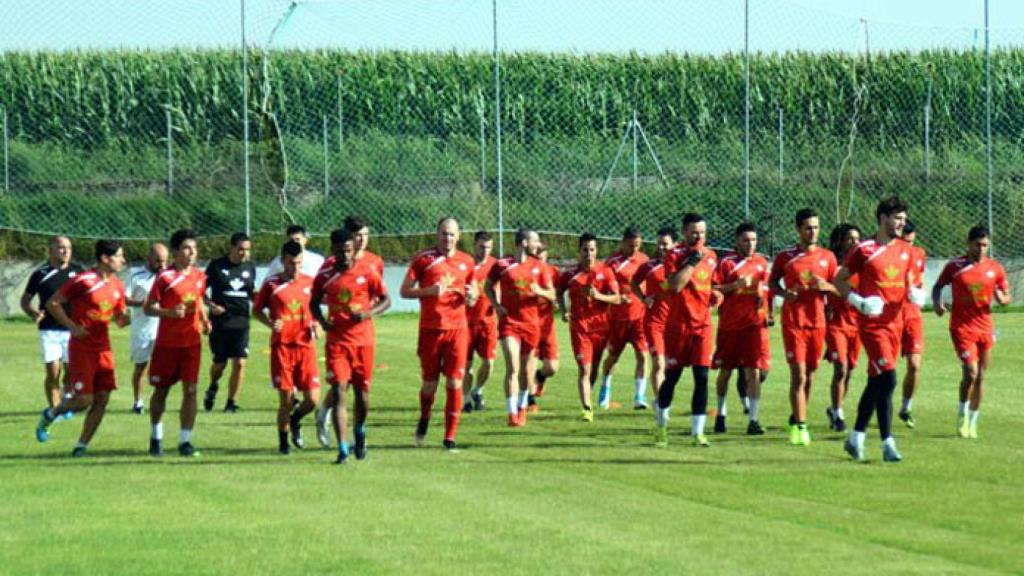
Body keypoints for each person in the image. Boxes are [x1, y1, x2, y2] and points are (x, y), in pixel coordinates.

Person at [835, 196, 925, 462]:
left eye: (903, 219)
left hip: (896, 323)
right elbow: (839, 280)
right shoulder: (864, 250)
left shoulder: (907, 251)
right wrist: (858, 301)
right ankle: (887, 442)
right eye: (897, 218)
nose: (901, 223)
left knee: (877, 381)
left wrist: (916, 294)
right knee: (889, 378)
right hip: (873, 325)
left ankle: (856, 437)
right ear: (883, 218)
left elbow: (912, 282)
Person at [34, 240, 128, 456]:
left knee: (103, 398)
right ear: (105, 258)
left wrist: (127, 317)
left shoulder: (117, 285)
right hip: (82, 348)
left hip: (104, 349)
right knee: (84, 400)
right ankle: (51, 414)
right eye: (119, 256)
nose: (123, 260)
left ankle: (81, 446)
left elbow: (120, 318)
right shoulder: (84, 280)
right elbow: (53, 303)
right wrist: (72, 327)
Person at [312, 228, 390, 463]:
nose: (345, 256)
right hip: (337, 343)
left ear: (353, 249)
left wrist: (368, 313)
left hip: (363, 341)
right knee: (338, 392)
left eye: (349, 250)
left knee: (362, 394)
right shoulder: (325, 274)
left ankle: (359, 430)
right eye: (341, 251)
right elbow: (313, 302)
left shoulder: (367, 271)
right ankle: (343, 448)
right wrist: (323, 322)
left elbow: (386, 300)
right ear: (333, 250)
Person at [400, 218, 476, 450]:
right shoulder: (423, 260)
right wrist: (428, 292)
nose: (448, 239)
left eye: (452, 234)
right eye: (444, 234)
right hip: (431, 331)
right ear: (437, 234)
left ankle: (449, 437)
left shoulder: (467, 262)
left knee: (455, 382)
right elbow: (404, 291)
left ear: (459, 236)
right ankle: (424, 418)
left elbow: (474, 293)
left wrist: (472, 296)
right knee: (430, 386)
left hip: (458, 330)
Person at [932, 225, 1010, 439]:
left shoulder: (995, 268)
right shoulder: (955, 266)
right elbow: (937, 286)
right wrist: (938, 304)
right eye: (978, 244)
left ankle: (973, 422)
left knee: (982, 377)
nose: (981, 249)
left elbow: (1005, 293)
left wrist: (1003, 300)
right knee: (971, 373)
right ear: (969, 244)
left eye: (985, 245)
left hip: (985, 327)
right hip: (961, 327)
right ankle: (962, 413)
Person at [769, 208, 838, 446]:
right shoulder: (785, 257)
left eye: (816, 227)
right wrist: (783, 293)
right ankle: (800, 426)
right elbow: (771, 283)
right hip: (793, 323)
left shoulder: (828, 257)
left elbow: (838, 289)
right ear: (798, 230)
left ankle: (798, 415)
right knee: (798, 375)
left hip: (817, 323)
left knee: (809, 376)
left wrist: (826, 287)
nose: (813, 232)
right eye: (808, 227)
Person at [144, 229, 211, 458]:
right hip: (167, 344)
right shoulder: (165, 278)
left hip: (191, 344)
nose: (191, 253)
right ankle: (156, 437)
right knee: (161, 391)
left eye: (194, 248)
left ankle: (185, 441)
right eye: (186, 248)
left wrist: (204, 319)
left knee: (191, 391)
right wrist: (169, 313)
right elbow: (148, 307)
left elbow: (199, 299)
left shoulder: (200, 277)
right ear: (175, 252)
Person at [653, 213, 718, 448]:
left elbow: (710, 284)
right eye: (694, 232)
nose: (699, 236)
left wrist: (716, 294)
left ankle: (697, 432)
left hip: (703, 325)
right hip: (678, 326)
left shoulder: (711, 256)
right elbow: (675, 285)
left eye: (702, 232)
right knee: (672, 377)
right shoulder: (674, 255)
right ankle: (661, 425)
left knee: (702, 377)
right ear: (684, 232)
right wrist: (691, 261)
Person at [254, 241, 322, 455]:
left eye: (299, 264)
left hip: (305, 347)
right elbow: (256, 310)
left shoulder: (311, 283)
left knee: (312, 400)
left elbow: (317, 310)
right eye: (292, 264)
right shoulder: (272, 285)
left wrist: (318, 325)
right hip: (282, 347)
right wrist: (270, 323)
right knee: (285, 399)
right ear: (283, 261)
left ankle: (295, 420)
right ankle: (283, 444)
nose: (296, 269)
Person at [485, 228, 555, 427]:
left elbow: (552, 294)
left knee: (525, 371)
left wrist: (539, 290)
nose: (539, 245)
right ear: (524, 243)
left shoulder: (540, 266)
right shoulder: (502, 265)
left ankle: (522, 406)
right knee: (512, 367)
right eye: (536, 241)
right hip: (510, 323)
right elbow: (488, 286)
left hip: (531, 324)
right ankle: (511, 413)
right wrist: (496, 305)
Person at [711, 223, 770, 435]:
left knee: (754, 371)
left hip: (753, 326)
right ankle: (721, 414)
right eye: (746, 240)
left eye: (753, 240)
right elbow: (714, 289)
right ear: (737, 241)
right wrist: (735, 286)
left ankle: (753, 420)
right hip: (730, 327)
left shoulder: (762, 263)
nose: (750, 244)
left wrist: (765, 308)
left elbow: (765, 291)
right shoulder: (726, 263)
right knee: (725, 372)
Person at [557, 233, 620, 421]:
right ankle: (586, 408)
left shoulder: (605, 271)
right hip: (580, 328)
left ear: (596, 251)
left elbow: (616, 298)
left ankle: (590, 397)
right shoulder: (570, 274)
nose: (589, 254)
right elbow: (559, 291)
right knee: (584, 369)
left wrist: (599, 296)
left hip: (601, 329)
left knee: (593, 370)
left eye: (592, 250)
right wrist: (563, 310)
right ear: (579, 251)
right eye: (585, 250)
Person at [21, 236, 84, 410]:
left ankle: (65, 398)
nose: (65, 251)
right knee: (53, 371)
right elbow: (25, 301)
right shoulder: (40, 274)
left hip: (72, 329)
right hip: (49, 330)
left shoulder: (79, 272)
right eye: (61, 248)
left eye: (69, 248)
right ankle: (55, 409)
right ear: (51, 250)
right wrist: (33, 312)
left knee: (71, 372)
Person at [597, 227, 650, 410]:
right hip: (618, 319)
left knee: (643, 356)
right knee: (612, 358)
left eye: (637, 245)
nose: (634, 249)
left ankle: (640, 396)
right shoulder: (612, 262)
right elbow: (604, 287)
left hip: (640, 317)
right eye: (631, 245)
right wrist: (617, 297)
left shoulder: (644, 260)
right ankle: (605, 388)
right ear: (623, 242)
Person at [203, 232, 256, 413]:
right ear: (231, 247)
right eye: (241, 249)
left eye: (247, 250)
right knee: (220, 364)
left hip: (241, 322)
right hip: (220, 322)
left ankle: (231, 403)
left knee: (240, 362)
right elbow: (200, 290)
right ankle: (212, 386)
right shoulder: (217, 266)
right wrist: (211, 305)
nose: (244, 253)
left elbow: (251, 292)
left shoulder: (250, 267)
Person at [823, 224, 862, 433]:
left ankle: (834, 407)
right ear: (840, 241)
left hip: (857, 324)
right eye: (849, 239)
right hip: (836, 323)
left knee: (850, 371)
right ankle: (838, 414)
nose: (854, 243)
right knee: (841, 367)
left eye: (857, 239)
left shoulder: (863, 264)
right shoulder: (832, 263)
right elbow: (822, 286)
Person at [632, 227, 676, 400]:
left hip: (674, 323)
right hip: (654, 323)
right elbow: (634, 283)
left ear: (674, 245)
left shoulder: (681, 266)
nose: (661, 248)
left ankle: (663, 398)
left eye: (665, 244)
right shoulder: (649, 266)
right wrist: (643, 298)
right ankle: (660, 403)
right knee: (658, 363)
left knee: (671, 366)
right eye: (659, 244)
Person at [125, 243, 168, 414]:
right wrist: (141, 303)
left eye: (164, 261)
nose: (162, 265)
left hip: (164, 329)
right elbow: (124, 298)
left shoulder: (169, 276)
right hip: (142, 330)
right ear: (149, 259)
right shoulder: (136, 275)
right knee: (141, 367)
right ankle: (138, 401)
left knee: (162, 368)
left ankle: (158, 401)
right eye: (158, 261)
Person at [462, 231, 498, 413]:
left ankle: (478, 390)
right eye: (482, 247)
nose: (485, 251)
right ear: (474, 245)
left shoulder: (495, 266)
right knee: (465, 366)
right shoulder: (464, 265)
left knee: (489, 362)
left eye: (488, 247)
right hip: (465, 324)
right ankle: (466, 399)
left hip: (488, 322)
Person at [897, 220, 927, 428]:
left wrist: (919, 292)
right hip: (891, 316)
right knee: (885, 369)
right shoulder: (888, 255)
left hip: (913, 315)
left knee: (915, 365)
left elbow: (920, 279)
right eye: (904, 241)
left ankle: (906, 407)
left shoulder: (919, 254)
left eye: (910, 240)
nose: (908, 244)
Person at [530, 245, 560, 410]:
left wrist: (555, 302)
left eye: (543, 252)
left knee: (552, 367)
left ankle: (539, 377)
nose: (540, 256)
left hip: (547, 324)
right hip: (530, 323)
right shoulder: (526, 270)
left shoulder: (553, 271)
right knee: (530, 363)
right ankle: (530, 401)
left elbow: (556, 292)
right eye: (537, 252)